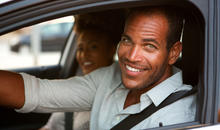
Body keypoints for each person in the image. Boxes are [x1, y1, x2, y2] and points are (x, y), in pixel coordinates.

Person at [0, 6, 196, 130]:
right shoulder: (109, 78)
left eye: (149, 46)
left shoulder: (180, 115)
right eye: (127, 40)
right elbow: (38, 92)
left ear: (173, 53)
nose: (131, 56)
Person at [40, 12, 122, 130]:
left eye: (93, 47)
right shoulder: (76, 83)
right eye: (80, 48)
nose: (84, 55)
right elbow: (51, 127)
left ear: (112, 50)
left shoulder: (118, 92)